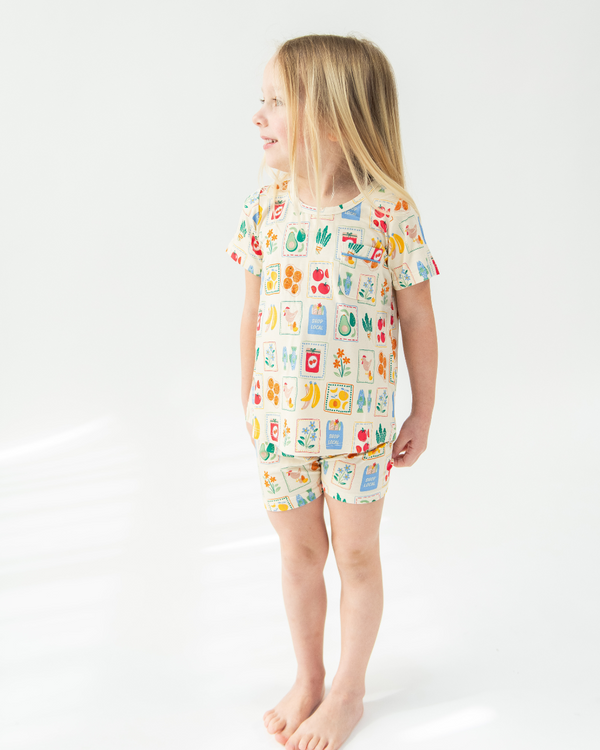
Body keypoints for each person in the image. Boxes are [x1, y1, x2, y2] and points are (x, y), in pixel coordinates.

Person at [225, 34, 439, 750]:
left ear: (333, 116)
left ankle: (349, 691)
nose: (259, 116)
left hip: (359, 433)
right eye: (261, 100)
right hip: (280, 429)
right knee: (298, 555)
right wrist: (249, 401)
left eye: (276, 102)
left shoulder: (388, 213)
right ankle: (310, 677)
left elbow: (418, 318)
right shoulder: (265, 208)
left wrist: (423, 411)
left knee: (355, 556)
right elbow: (252, 311)